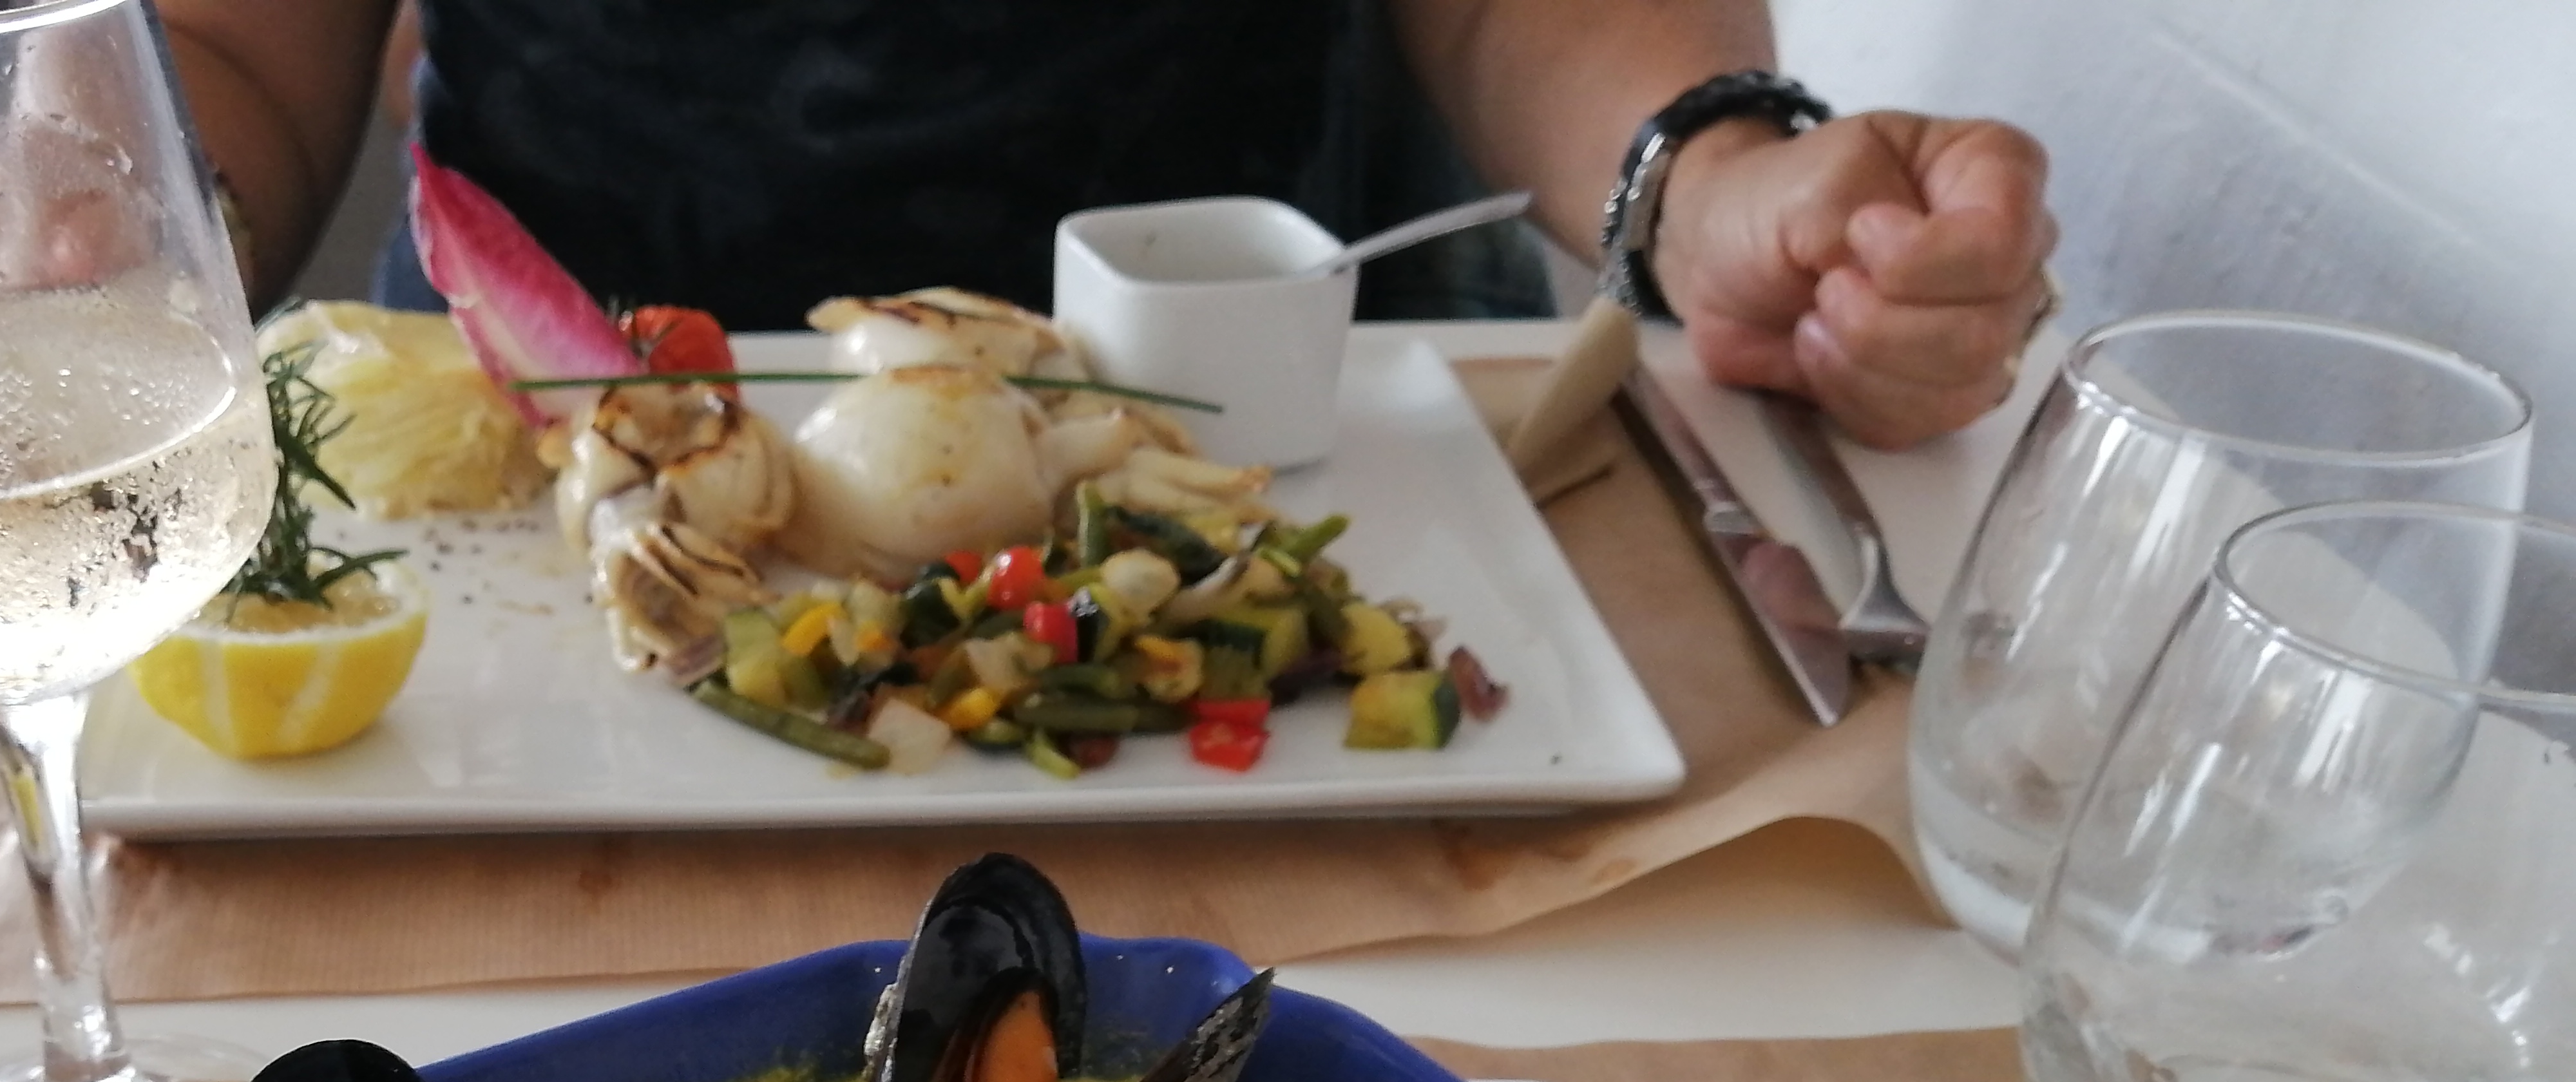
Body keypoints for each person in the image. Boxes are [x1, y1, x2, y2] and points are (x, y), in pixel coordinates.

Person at [160, 0, 2055, 450]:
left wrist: (1707, 181)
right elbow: (241, 55)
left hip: (1256, 450)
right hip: (532, 457)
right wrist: (111, 226)